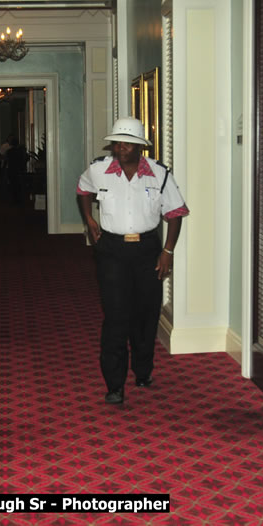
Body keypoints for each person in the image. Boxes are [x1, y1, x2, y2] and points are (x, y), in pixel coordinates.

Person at [77, 117, 190, 405]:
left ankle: (142, 370)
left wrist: (168, 252)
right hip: (111, 250)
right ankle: (114, 384)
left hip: (147, 250)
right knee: (116, 317)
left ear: (140, 146)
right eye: (117, 142)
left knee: (146, 314)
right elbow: (83, 190)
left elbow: (176, 213)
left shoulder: (159, 174)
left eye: (127, 142)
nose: (121, 147)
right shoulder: (99, 169)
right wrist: (89, 218)